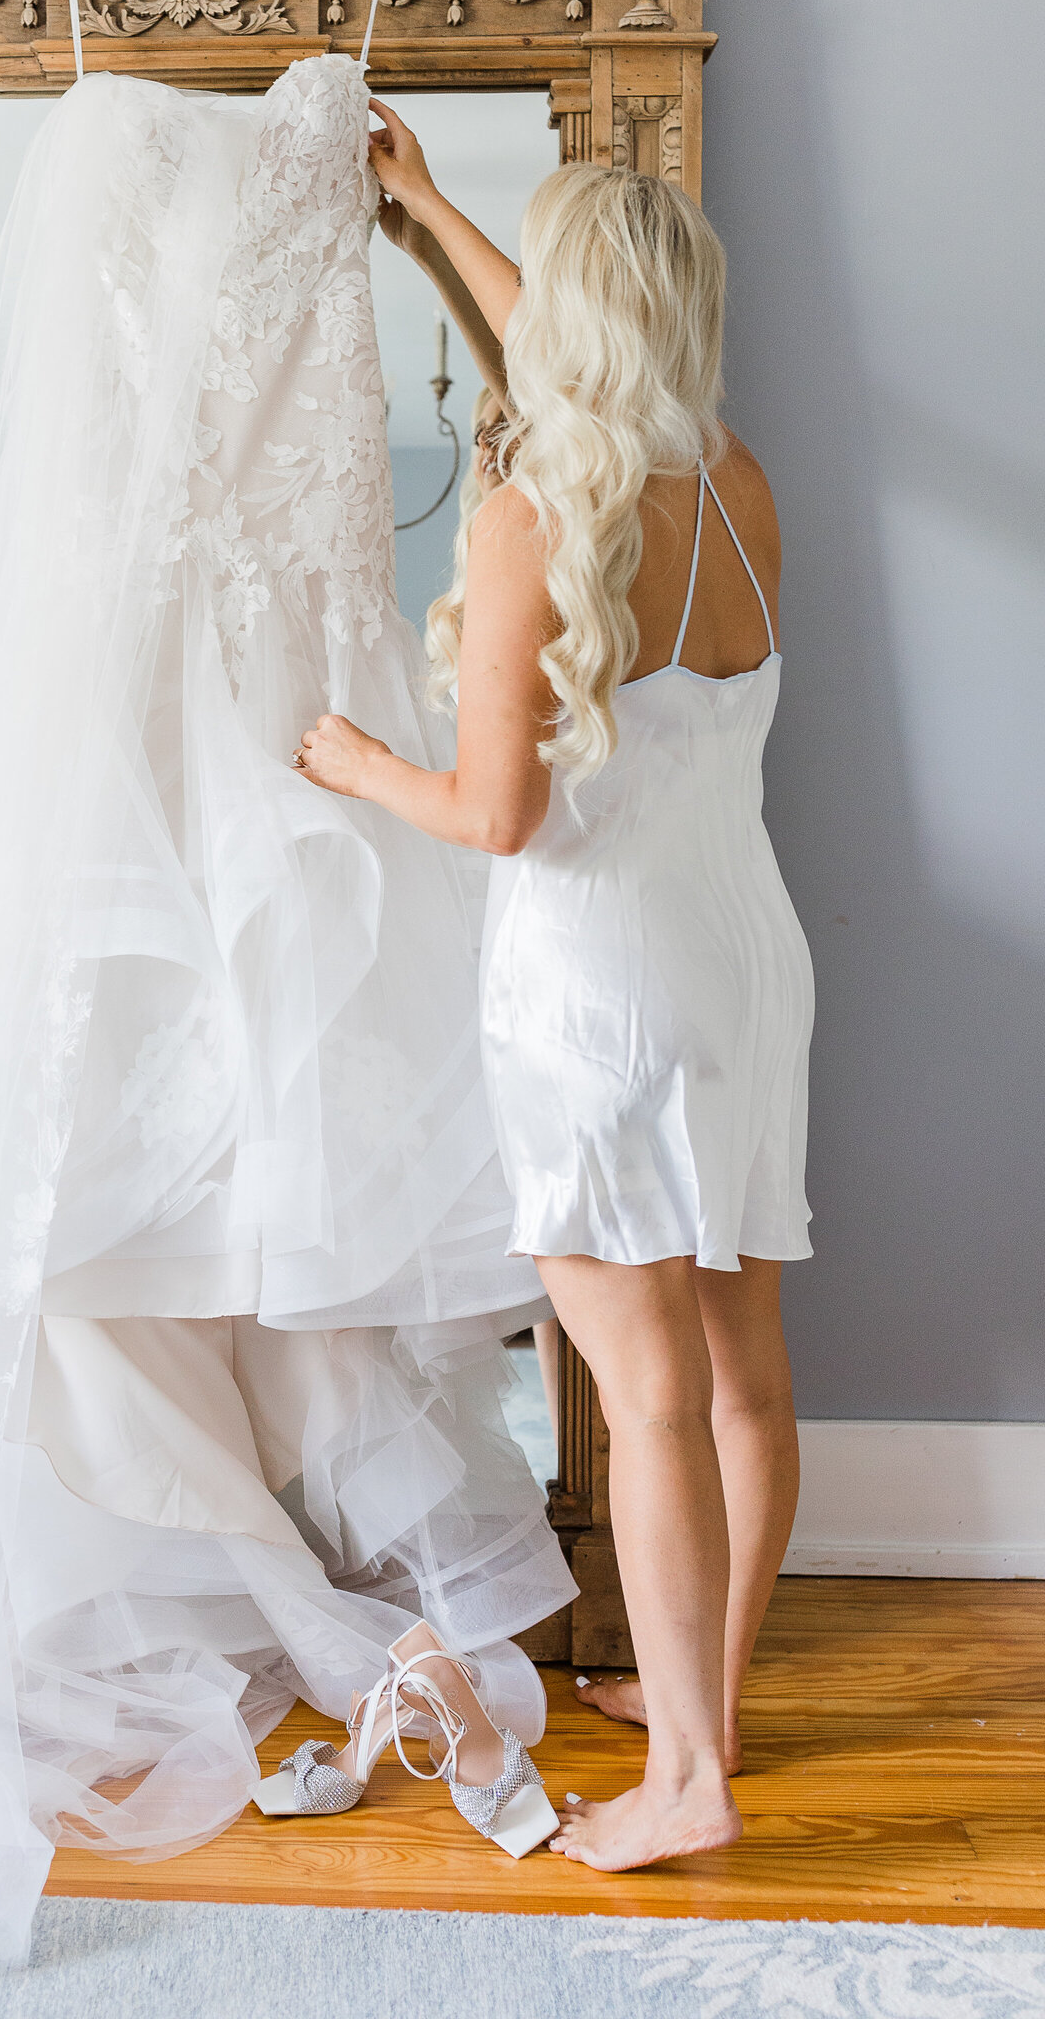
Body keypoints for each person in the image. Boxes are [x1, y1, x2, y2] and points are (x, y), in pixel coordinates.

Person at [294, 103, 814, 1873]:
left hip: (602, 991)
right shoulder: (736, 486)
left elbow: (500, 819)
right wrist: (426, 206)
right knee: (740, 1377)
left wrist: (366, 767)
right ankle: (705, 1707)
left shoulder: (535, 522)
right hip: (748, 965)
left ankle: (689, 1790)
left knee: (650, 1399)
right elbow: (563, 346)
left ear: (573, 322)